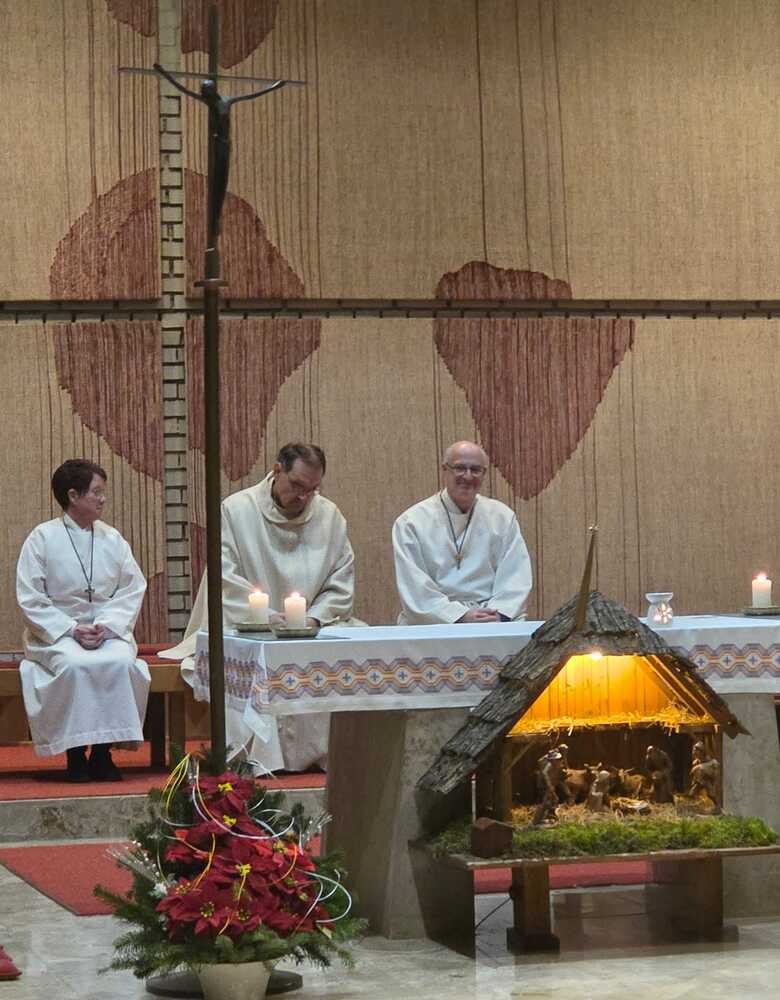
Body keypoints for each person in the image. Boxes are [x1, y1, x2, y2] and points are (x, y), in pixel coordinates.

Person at [163, 443, 358, 772]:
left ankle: (325, 754)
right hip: (249, 625)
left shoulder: (330, 516)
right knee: (241, 658)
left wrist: (313, 617)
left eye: (312, 489)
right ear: (277, 470)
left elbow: (341, 581)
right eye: (297, 485)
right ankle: (260, 759)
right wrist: (268, 617)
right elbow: (223, 578)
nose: (304, 497)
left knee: (349, 649)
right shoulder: (237, 510)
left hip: (310, 628)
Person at [16, 460, 149, 782]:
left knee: (120, 663)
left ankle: (103, 753)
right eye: (96, 492)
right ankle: (75, 754)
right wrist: (71, 628)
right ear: (73, 495)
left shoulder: (112, 538)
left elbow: (132, 588)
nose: (103, 499)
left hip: (106, 630)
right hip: (58, 632)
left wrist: (107, 626)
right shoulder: (42, 538)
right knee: (74, 666)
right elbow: (31, 597)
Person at [392, 440, 532, 624]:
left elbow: (515, 577)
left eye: (475, 470)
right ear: (445, 470)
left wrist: (498, 615)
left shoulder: (502, 517)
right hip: (436, 620)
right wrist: (459, 616)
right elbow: (415, 587)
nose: (467, 476)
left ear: (484, 474)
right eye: (459, 468)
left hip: (492, 618)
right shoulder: (411, 522)